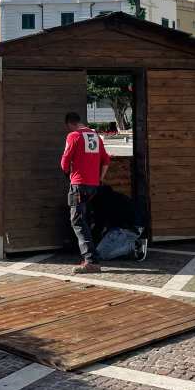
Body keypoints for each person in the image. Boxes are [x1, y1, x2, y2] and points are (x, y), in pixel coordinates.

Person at [60, 111, 110, 274]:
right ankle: (91, 256)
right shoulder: (95, 136)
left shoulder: (73, 136)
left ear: (69, 124)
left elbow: (64, 162)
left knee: (77, 221)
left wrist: (68, 173)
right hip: (93, 185)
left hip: (78, 184)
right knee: (85, 220)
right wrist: (99, 179)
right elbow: (106, 160)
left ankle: (91, 261)